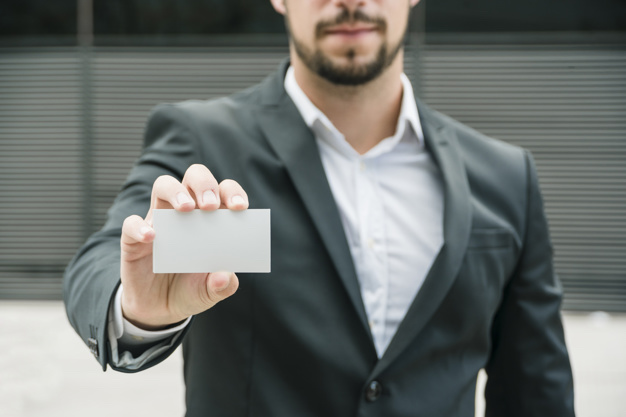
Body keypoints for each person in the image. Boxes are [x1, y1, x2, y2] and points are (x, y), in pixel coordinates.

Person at [64, 0, 576, 415]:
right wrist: (137, 310)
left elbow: (537, 392)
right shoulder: (205, 143)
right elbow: (107, 257)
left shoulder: (505, 178)